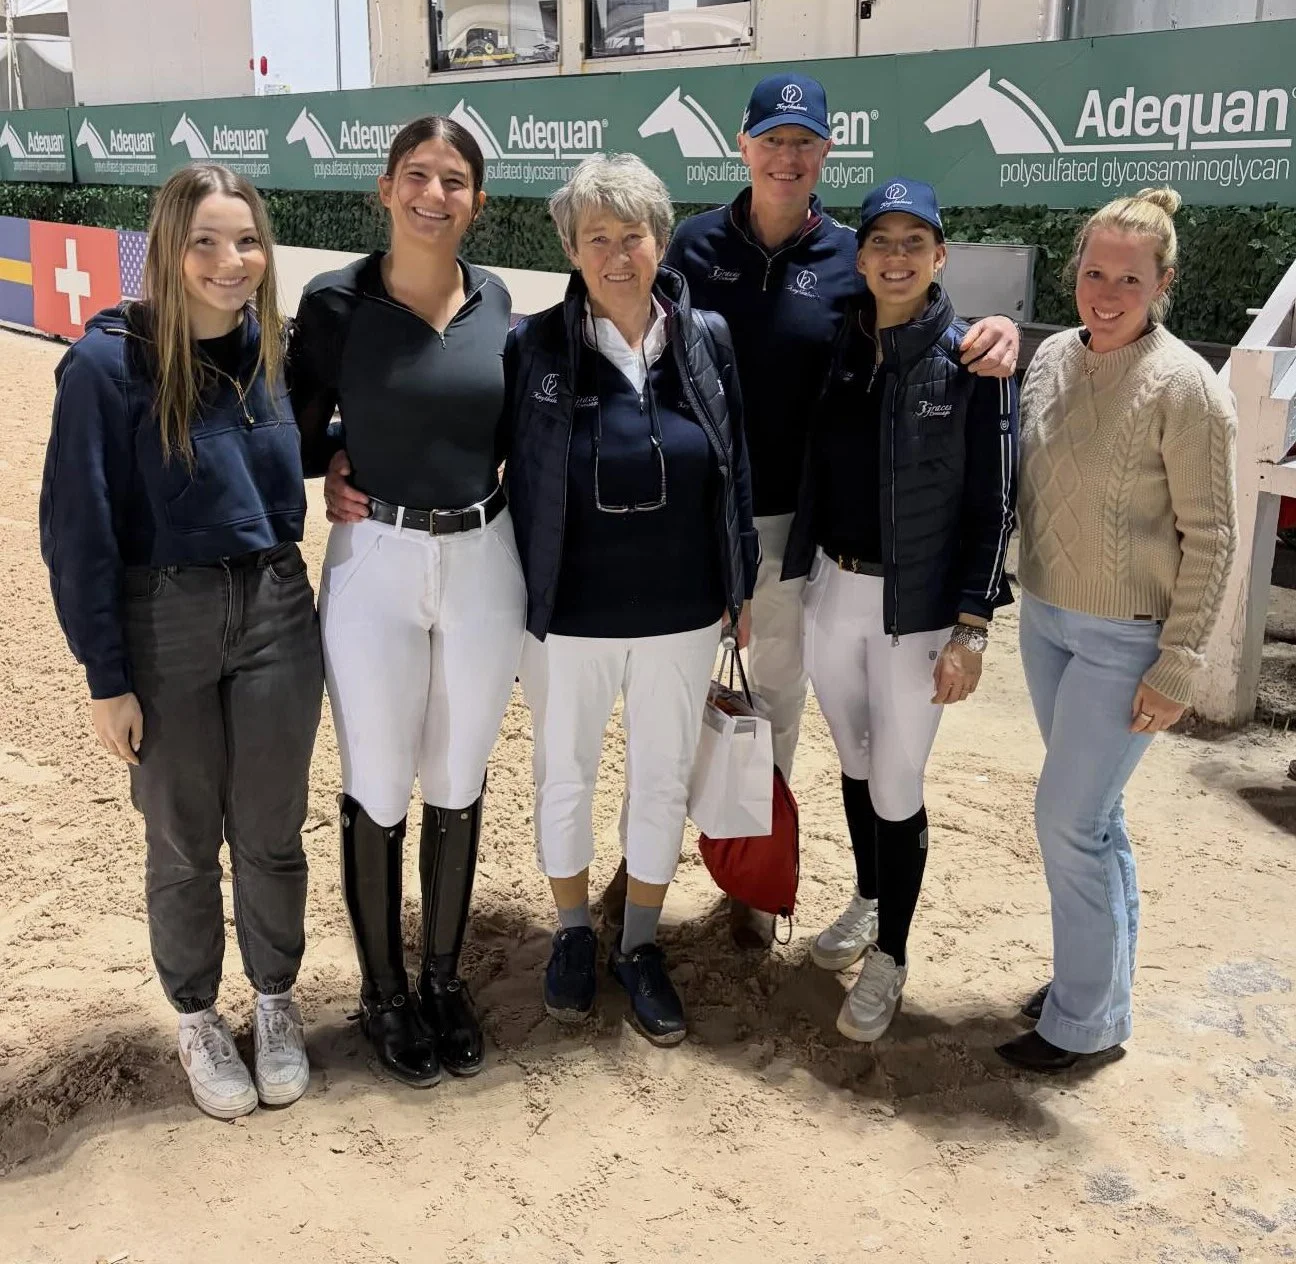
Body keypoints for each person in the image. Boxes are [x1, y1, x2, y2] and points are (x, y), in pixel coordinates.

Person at [600, 72, 1021, 947]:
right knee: (666, 697)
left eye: (805, 142)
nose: (787, 157)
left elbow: (920, 319)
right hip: (687, 515)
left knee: (775, 704)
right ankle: (642, 863)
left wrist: (999, 332)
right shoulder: (691, 247)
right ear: (744, 147)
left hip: (792, 527)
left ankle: (751, 874)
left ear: (825, 153)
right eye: (771, 139)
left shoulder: (850, 257)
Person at [39, 164, 322, 1120]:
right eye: (203, 241)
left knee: (274, 828)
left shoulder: (273, 353)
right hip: (166, 619)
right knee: (184, 836)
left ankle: (276, 1000)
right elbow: (78, 531)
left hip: (280, 607)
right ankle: (199, 1012)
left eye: (245, 241)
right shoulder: (104, 368)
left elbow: (307, 454)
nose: (228, 261)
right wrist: (105, 677)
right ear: (166, 247)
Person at [287, 116, 525, 1087]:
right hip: (375, 560)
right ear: (385, 187)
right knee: (379, 784)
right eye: (418, 176)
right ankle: (383, 993)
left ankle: (440, 981)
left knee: (458, 780)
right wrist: (332, 465)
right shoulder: (334, 302)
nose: (435, 194)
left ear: (478, 200)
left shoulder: (498, 299)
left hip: (482, 562)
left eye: (455, 180)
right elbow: (295, 434)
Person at [504, 153, 759, 1046]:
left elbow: (736, 468)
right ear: (573, 249)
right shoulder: (534, 345)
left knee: (660, 779)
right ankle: (574, 932)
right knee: (563, 774)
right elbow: (481, 458)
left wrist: (741, 581)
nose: (618, 254)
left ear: (662, 239)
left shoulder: (708, 338)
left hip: (682, 611)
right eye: (597, 238)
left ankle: (640, 943)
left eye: (634, 235)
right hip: (568, 612)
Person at [997, 188, 1237, 1072]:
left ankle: (1085, 1020)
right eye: (1093, 271)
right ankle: (1099, 980)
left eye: (1127, 277)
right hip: (1049, 618)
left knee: (1068, 821)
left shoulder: (1187, 388)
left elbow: (1213, 535)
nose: (1105, 290)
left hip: (1126, 636)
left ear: (1162, 282)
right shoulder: (1054, 356)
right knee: (1097, 817)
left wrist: (1180, 664)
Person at [782, 177, 1018, 1043]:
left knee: (896, 780)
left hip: (915, 610)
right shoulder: (841, 346)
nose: (894, 257)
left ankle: (892, 950)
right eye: (880, 241)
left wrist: (972, 625)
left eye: (913, 243)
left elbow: (995, 504)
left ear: (941, 256)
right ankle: (869, 896)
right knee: (852, 758)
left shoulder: (972, 360)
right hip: (831, 589)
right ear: (861, 254)